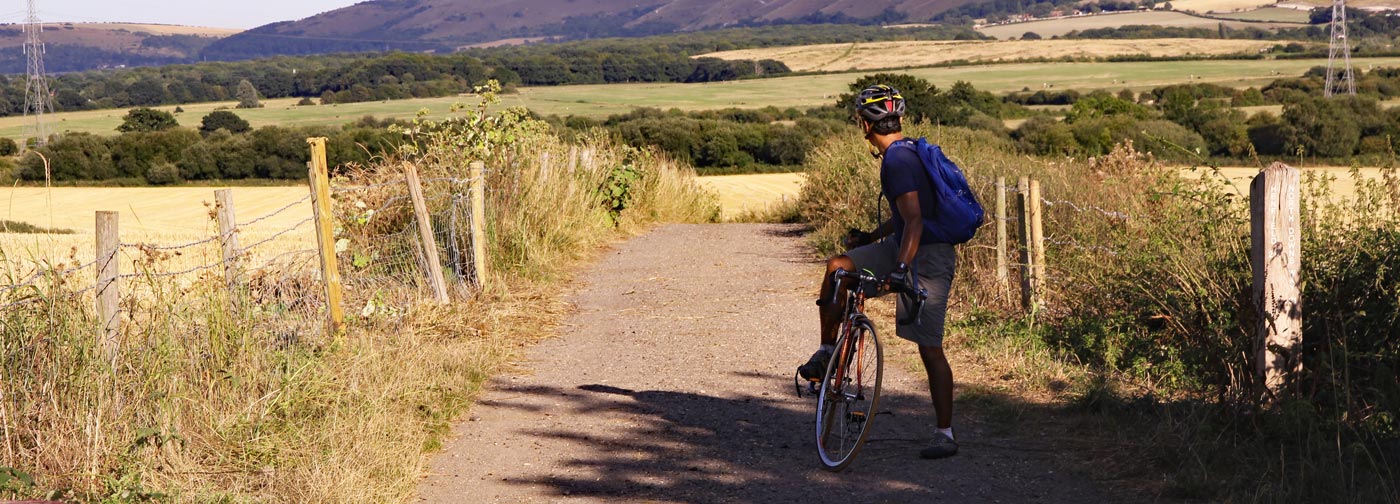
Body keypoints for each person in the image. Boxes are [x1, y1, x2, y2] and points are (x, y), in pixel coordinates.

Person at [796, 84, 959, 460]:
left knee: (929, 347)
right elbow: (907, 214)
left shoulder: (898, 161)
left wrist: (900, 269)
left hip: (928, 255)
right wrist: (872, 237)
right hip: (902, 244)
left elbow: (915, 220)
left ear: (865, 125)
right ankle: (826, 352)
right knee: (839, 267)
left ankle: (945, 434)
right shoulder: (904, 152)